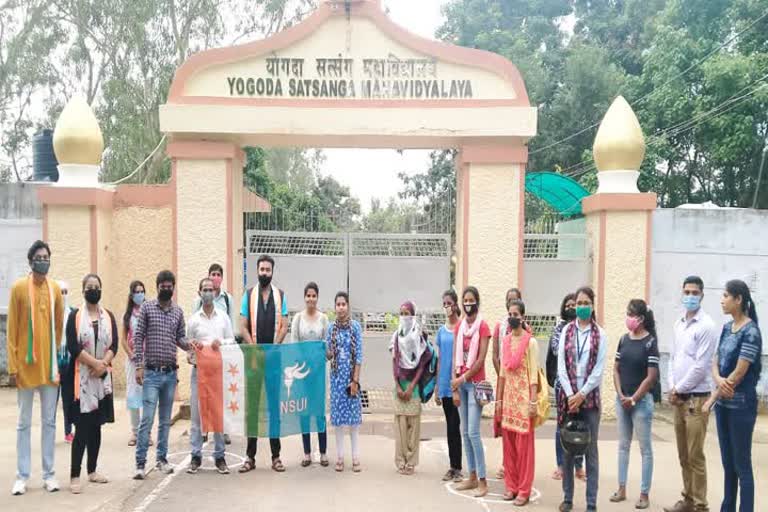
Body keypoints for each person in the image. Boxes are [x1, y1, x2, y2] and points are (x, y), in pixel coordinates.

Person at [8, 240, 64, 496]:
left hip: (49, 368)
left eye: (47, 256)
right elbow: (11, 328)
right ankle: (21, 476)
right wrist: (13, 364)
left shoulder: (54, 289)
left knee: (49, 422)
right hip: (26, 367)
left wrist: (57, 358)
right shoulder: (19, 288)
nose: (44, 260)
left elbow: (59, 327)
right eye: (39, 256)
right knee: (23, 423)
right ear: (31, 261)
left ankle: (49, 474)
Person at [132, 270, 196, 480]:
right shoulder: (147, 308)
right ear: (157, 286)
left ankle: (162, 459)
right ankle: (140, 464)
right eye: (163, 285)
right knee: (147, 420)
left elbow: (181, 338)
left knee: (164, 421)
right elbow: (138, 337)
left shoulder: (178, 311)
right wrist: (139, 366)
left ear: (173, 287)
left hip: (170, 375)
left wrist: (193, 347)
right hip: (151, 373)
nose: (166, 289)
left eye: (170, 286)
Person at [664, 276, 719, 512]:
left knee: (695, 455)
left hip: (697, 399)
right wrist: (672, 386)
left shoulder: (707, 326)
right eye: (686, 292)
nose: (690, 297)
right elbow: (673, 358)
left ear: (702, 295)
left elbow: (701, 365)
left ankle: (700, 504)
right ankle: (687, 498)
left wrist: (679, 388)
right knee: (683, 454)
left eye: (694, 293)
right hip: (679, 399)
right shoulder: (678, 323)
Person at [709, 280, 762, 512]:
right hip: (724, 404)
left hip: (741, 406)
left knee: (742, 465)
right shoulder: (726, 328)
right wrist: (719, 381)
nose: (722, 300)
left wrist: (712, 397)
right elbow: (715, 361)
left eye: (726, 295)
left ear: (738, 299)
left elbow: (740, 372)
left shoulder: (751, 331)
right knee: (727, 464)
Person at [65, 273, 118, 494]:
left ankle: (92, 470)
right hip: (82, 378)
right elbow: (73, 346)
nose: (93, 289)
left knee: (96, 426)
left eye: (96, 286)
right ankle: (75, 475)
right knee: (82, 427)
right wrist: (95, 363)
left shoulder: (109, 316)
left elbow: (113, 344)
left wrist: (103, 364)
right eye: (89, 286)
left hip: (101, 378)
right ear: (83, 290)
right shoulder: (75, 316)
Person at [557, 286, 607, 512]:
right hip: (569, 400)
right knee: (568, 448)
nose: (582, 307)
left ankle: (591, 503)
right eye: (579, 303)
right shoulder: (567, 331)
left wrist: (581, 394)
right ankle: (567, 498)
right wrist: (570, 395)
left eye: (587, 302)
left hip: (590, 401)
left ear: (592, 305)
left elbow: (598, 370)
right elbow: (561, 368)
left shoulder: (600, 334)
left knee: (590, 451)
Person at [238, 254, 288, 473]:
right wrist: (257, 350)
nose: (264, 273)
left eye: (268, 270)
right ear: (257, 271)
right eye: (262, 269)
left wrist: (273, 348)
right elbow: (242, 326)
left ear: (272, 272)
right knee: (253, 408)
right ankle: (250, 457)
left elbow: (284, 325)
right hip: (254, 361)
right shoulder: (248, 296)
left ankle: (276, 456)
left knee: (274, 408)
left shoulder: (281, 295)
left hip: (274, 361)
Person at [610, 299, 660, 509]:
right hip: (623, 401)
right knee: (623, 446)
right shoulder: (624, 339)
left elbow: (651, 377)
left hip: (641, 403)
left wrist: (634, 398)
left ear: (640, 319)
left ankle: (644, 493)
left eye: (631, 314)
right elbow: (616, 369)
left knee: (645, 448)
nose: (627, 318)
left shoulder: (650, 342)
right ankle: (621, 488)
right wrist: (621, 394)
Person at [187, 277, 235, 475]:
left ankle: (220, 456)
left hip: (218, 372)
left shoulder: (223, 317)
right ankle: (195, 456)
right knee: (197, 415)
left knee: (218, 414)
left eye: (210, 289)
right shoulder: (193, 320)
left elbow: (231, 340)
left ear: (215, 293)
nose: (208, 293)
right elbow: (188, 345)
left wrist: (220, 343)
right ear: (199, 293)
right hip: (199, 372)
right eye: (204, 289)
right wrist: (192, 352)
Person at [451, 286, 491, 498]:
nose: (467, 303)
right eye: (464, 300)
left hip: (475, 384)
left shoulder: (483, 327)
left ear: (477, 302)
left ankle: (483, 480)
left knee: (474, 432)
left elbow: (481, 360)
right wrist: (455, 386)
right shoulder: (459, 327)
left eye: (471, 300)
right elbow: (453, 359)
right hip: (461, 385)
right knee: (464, 431)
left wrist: (462, 379)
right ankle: (472, 476)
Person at [499, 299, 539, 506]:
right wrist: (499, 400)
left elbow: (533, 375)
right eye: (510, 313)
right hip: (509, 402)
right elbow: (504, 374)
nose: (512, 317)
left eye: (516, 314)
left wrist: (533, 402)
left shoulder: (530, 342)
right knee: (509, 448)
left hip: (524, 401)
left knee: (525, 449)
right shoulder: (505, 341)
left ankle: (524, 490)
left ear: (523, 317)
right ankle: (511, 486)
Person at [289, 282, 329, 467]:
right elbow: (294, 345)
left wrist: (319, 360)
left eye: (314, 296)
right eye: (308, 296)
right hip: (302, 374)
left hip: (319, 373)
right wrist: (302, 365)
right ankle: (307, 453)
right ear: (304, 297)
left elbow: (327, 345)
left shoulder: (323, 319)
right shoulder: (298, 318)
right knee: (304, 412)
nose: (311, 299)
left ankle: (323, 453)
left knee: (319, 412)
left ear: (317, 297)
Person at [547, 293, 585, 481]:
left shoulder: (583, 328)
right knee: (561, 425)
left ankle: (579, 467)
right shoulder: (559, 328)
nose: (571, 308)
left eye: (574, 305)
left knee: (579, 425)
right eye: (568, 305)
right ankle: (561, 465)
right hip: (562, 384)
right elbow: (556, 349)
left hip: (580, 384)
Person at [326, 291, 363, 472]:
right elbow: (327, 355)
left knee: (354, 422)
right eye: (338, 304)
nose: (341, 307)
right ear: (335, 307)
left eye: (343, 304)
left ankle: (356, 458)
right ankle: (340, 458)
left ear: (348, 306)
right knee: (339, 422)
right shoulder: (330, 328)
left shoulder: (355, 327)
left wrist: (355, 381)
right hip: (336, 380)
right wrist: (326, 351)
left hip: (350, 380)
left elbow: (359, 356)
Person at [391, 300, 429, 475]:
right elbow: (394, 362)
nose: (404, 316)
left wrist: (412, 385)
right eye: (402, 313)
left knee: (413, 428)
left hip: (413, 387)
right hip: (400, 386)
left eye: (407, 313)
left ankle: (411, 462)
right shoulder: (396, 336)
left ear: (413, 315)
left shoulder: (418, 336)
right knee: (400, 428)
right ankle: (400, 461)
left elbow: (421, 364)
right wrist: (398, 385)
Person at [435, 289, 463, 482]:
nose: (447, 307)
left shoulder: (461, 327)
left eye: (449, 303)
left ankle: (457, 466)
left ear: (455, 304)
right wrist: (437, 385)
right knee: (449, 425)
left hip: (457, 383)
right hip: (444, 383)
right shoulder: (441, 330)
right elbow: (439, 359)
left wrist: (458, 383)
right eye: (444, 303)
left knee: (456, 424)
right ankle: (452, 467)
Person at [122, 280, 152, 447]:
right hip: (133, 361)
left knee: (148, 397)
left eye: (142, 291)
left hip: (148, 360)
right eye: (137, 292)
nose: (140, 294)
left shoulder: (149, 311)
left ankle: (147, 433)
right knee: (133, 396)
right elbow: (123, 340)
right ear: (131, 295)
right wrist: (132, 355)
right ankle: (135, 432)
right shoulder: (127, 315)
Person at [57, 280, 75, 443]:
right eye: (60, 292)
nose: (63, 295)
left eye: (65, 292)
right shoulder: (50, 314)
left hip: (69, 363)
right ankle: (49, 432)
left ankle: (68, 431)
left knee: (68, 399)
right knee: (51, 401)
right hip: (54, 363)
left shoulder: (73, 313)